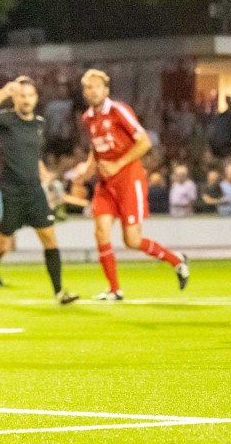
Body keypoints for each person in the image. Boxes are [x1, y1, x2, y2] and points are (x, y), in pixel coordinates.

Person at [79, 69, 189, 301]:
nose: (93, 90)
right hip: (105, 183)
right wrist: (86, 170)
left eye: (97, 86)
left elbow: (144, 142)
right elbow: (95, 149)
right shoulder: (88, 118)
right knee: (101, 232)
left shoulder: (119, 111)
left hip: (129, 180)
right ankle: (114, 290)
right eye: (88, 87)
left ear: (106, 90)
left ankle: (176, 260)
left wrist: (117, 164)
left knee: (132, 240)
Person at [0, 77, 80, 305]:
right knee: (1, 244)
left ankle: (59, 292)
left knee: (50, 239)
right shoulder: (5, 119)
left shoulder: (39, 123)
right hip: (9, 191)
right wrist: (3, 92)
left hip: (34, 191)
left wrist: (44, 174)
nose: (26, 100)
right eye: (22, 95)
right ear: (15, 98)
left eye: (30, 96)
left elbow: (33, 155)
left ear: (36, 98)